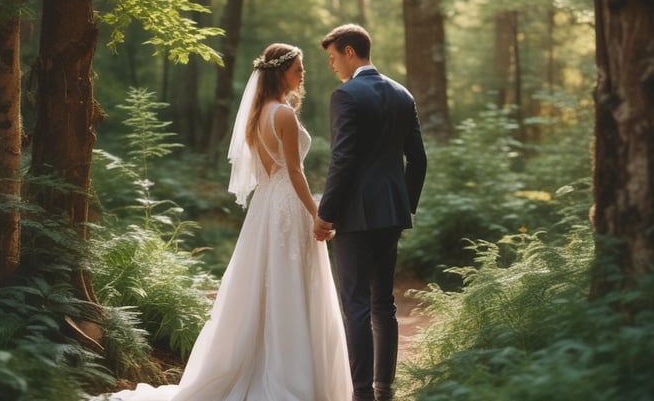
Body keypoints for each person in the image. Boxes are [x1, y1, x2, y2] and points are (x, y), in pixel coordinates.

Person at [99, 43, 352, 401]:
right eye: (298, 67)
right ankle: (290, 373)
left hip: (265, 207)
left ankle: (268, 361)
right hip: (286, 206)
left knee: (271, 282)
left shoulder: (257, 113)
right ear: (280, 71)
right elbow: (294, 171)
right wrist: (316, 212)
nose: (303, 73)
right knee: (291, 282)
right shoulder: (282, 114)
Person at [313, 24, 427, 401]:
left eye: (332, 57)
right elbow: (419, 160)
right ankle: (384, 390)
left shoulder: (346, 96)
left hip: (355, 216)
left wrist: (325, 213)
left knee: (356, 305)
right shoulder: (403, 94)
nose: (332, 66)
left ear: (349, 51)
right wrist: (403, 206)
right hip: (392, 213)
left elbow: (342, 159)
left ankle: (360, 392)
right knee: (384, 305)